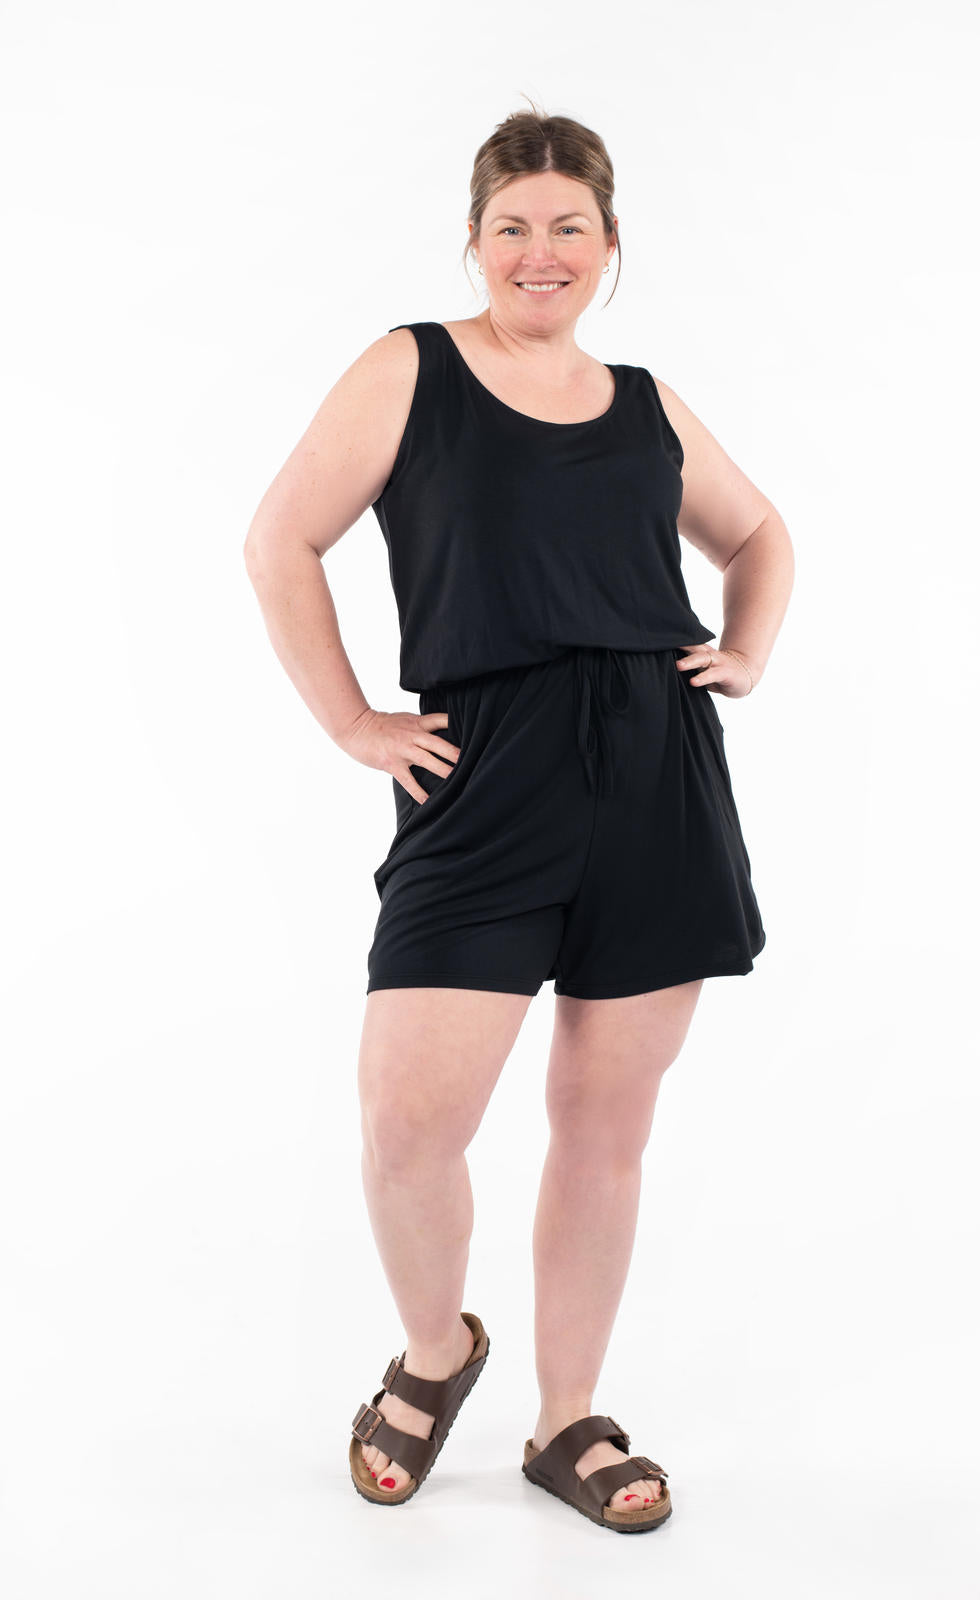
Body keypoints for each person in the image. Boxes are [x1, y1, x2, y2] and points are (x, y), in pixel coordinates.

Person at [244, 105, 794, 1533]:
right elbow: (280, 536)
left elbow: (757, 532)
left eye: (568, 227)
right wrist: (353, 721)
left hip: (656, 772)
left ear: (608, 245)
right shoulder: (410, 368)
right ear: (475, 241)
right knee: (407, 1122)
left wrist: (745, 647)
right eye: (512, 227)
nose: (539, 252)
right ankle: (436, 1355)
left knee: (601, 1124)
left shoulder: (646, 401)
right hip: (481, 770)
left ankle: (567, 1422)